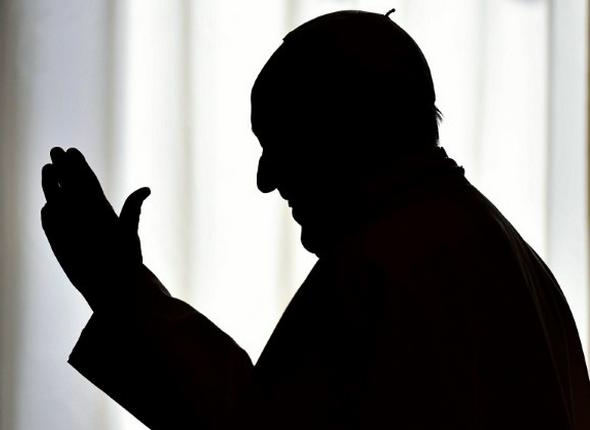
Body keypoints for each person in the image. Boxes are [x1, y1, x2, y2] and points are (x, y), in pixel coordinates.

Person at [40, 10, 590, 429]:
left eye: (277, 142)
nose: (265, 178)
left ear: (338, 133)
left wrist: (119, 293)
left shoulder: (383, 266)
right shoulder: (504, 259)